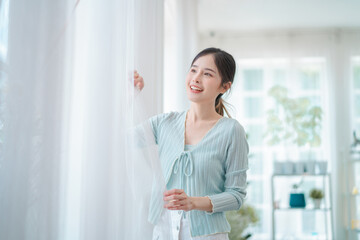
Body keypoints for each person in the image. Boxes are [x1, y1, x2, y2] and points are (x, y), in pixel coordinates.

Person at [134, 47, 249, 240]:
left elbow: (236, 195)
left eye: (207, 74)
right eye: (193, 70)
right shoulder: (164, 123)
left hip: (208, 234)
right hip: (162, 230)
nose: (196, 78)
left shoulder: (232, 131)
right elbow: (119, 140)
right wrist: (132, 98)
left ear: (224, 87)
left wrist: (194, 202)